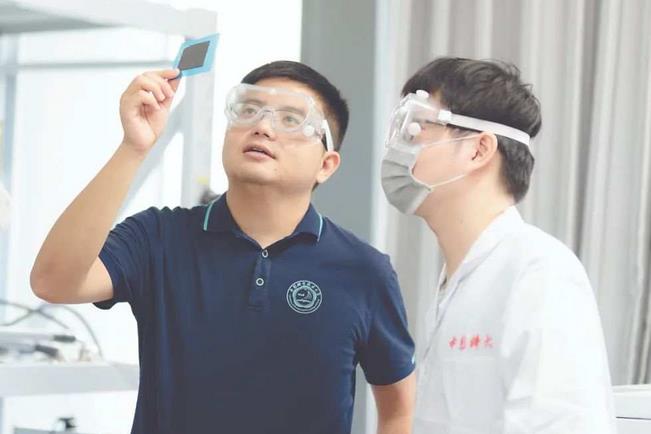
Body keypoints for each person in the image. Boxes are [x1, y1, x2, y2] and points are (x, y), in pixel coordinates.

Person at [31, 61, 416, 434]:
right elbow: (53, 282)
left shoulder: (364, 271)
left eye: (290, 119)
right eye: (248, 110)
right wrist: (133, 148)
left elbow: (398, 409)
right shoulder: (158, 237)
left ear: (326, 165)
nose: (262, 127)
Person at [380, 57, 616, 433]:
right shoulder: (458, 282)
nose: (398, 148)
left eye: (418, 127)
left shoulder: (538, 271)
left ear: (478, 150)